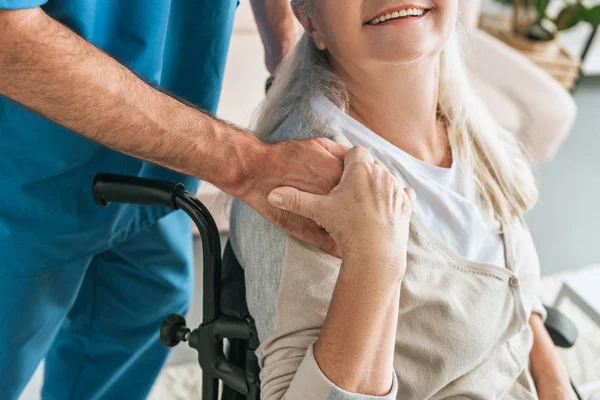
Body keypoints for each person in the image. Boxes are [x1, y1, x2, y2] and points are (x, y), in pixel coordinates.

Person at [230, 0, 577, 398]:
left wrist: (556, 384)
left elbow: (517, 301)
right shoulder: (304, 186)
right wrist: (375, 260)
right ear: (310, 21)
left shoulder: (466, 129)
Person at [0, 1, 347, 399]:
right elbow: (7, 34)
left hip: (157, 159)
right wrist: (245, 164)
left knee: (143, 306)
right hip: (22, 179)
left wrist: (286, 62)